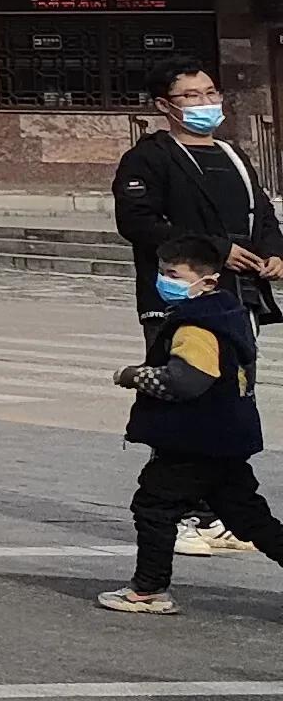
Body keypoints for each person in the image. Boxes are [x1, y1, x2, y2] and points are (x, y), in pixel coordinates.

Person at [113, 63, 280, 558]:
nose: (205, 102)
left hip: (237, 300)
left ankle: (216, 511)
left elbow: (262, 214)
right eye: (190, 96)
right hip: (181, 301)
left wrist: (274, 253)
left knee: (228, 402)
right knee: (183, 398)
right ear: (165, 106)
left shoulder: (233, 154)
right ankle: (183, 513)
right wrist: (216, 251)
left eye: (209, 92)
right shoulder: (149, 158)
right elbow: (138, 222)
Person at [100, 226, 283, 612]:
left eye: (174, 275)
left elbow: (186, 381)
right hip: (226, 436)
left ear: (208, 281)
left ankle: (149, 588)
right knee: (247, 514)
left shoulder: (197, 325)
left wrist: (135, 376)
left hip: (195, 438)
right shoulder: (228, 315)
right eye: (162, 272)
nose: (165, 282)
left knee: (154, 505)